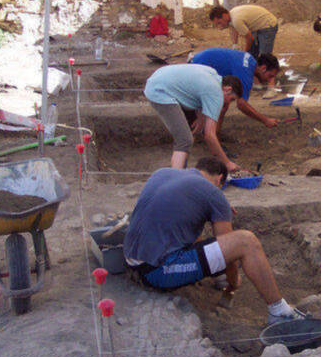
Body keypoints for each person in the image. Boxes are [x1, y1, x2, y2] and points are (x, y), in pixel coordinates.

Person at [123, 157, 301, 325]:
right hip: (157, 271)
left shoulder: (163, 173)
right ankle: (280, 312)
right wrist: (233, 283)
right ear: (220, 179)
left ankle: (216, 275)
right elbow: (230, 252)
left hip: (132, 258)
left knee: (201, 239)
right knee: (246, 242)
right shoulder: (213, 193)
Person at [144, 63, 242, 172]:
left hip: (159, 78)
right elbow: (209, 135)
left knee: (189, 133)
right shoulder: (216, 93)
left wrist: (200, 119)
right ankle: (176, 179)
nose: (228, 103)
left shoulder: (213, 75)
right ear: (228, 89)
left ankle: (181, 171)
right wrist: (227, 163)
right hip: (160, 91)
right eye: (231, 99)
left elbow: (196, 88)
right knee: (184, 140)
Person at [190, 48, 281, 128]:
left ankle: (213, 134)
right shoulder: (246, 72)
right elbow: (241, 104)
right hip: (198, 69)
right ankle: (212, 136)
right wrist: (265, 120)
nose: (269, 80)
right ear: (263, 68)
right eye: (270, 76)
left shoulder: (250, 62)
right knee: (221, 106)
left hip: (200, 63)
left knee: (223, 104)